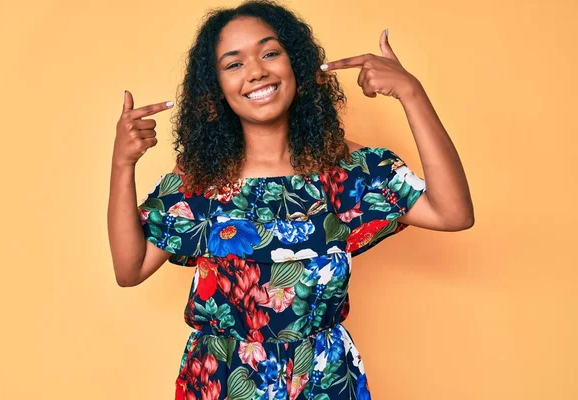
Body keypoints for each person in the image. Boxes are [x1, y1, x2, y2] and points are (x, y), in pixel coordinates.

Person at [107, 0, 474, 399]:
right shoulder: (201, 181)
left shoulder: (345, 172)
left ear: (295, 64)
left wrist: (411, 93)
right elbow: (130, 269)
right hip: (223, 383)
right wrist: (122, 164)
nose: (256, 71)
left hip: (325, 380)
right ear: (215, 89)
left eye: (269, 53)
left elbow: (452, 212)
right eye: (233, 64)